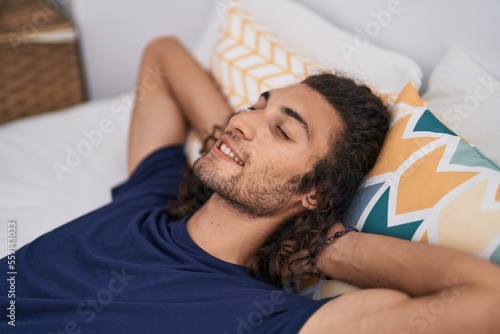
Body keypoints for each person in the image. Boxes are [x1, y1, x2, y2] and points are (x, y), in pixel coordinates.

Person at [1, 36, 499, 334]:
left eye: (284, 130)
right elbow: (162, 55)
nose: (244, 119)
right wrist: (241, 144)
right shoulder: (150, 198)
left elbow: (486, 297)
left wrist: (332, 249)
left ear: (316, 194)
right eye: (256, 104)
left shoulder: (264, 318)